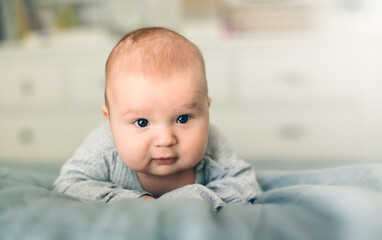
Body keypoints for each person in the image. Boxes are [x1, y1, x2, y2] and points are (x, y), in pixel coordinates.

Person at [53, 27, 261, 211]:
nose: (165, 139)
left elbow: (245, 184)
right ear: (110, 121)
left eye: (182, 119)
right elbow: (68, 185)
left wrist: (192, 199)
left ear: (206, 110)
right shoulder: (103, 149)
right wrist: (132, 200)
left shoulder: (212, 143)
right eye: (142, 122)